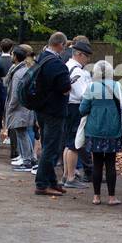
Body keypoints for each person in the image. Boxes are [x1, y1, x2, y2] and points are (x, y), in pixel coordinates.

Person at [80, 59, 122, 205]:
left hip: (94, 130)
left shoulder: (91, 87)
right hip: (113, 130)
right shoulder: (117, 86)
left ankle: (96, 196)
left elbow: (82, 109)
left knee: (97, 163)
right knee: (111, 163)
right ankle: (112, 197)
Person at [33, 32, 72, 195]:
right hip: (54, 110)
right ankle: (42, 184)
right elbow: (65, 88)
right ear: (61, 45)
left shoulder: (40, 58)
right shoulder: (56, 64)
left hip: (41, 108)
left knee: (48, 144)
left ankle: (51, 181)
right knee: (51, 147)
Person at [61, 37, 93, 185]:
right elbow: (83, 94)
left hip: (68, 107)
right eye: (86, 56)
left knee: (68, 144)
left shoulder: (67, 65)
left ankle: (67, 175)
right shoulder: (77, 71)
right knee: (75, 144)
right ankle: (71, 178)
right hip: (75, 108)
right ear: (79, 54)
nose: (87, 59)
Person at [5, 45, 36, 171]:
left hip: (19, 108)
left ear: (16, 57)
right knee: (23, 133)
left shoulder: (18, 73)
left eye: (12, 55)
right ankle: (29, 159)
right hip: (25, 107)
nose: (11, 57)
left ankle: (27, 160)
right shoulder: (24, 69)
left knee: (21, 133)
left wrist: (10, 107)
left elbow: (15, 93)